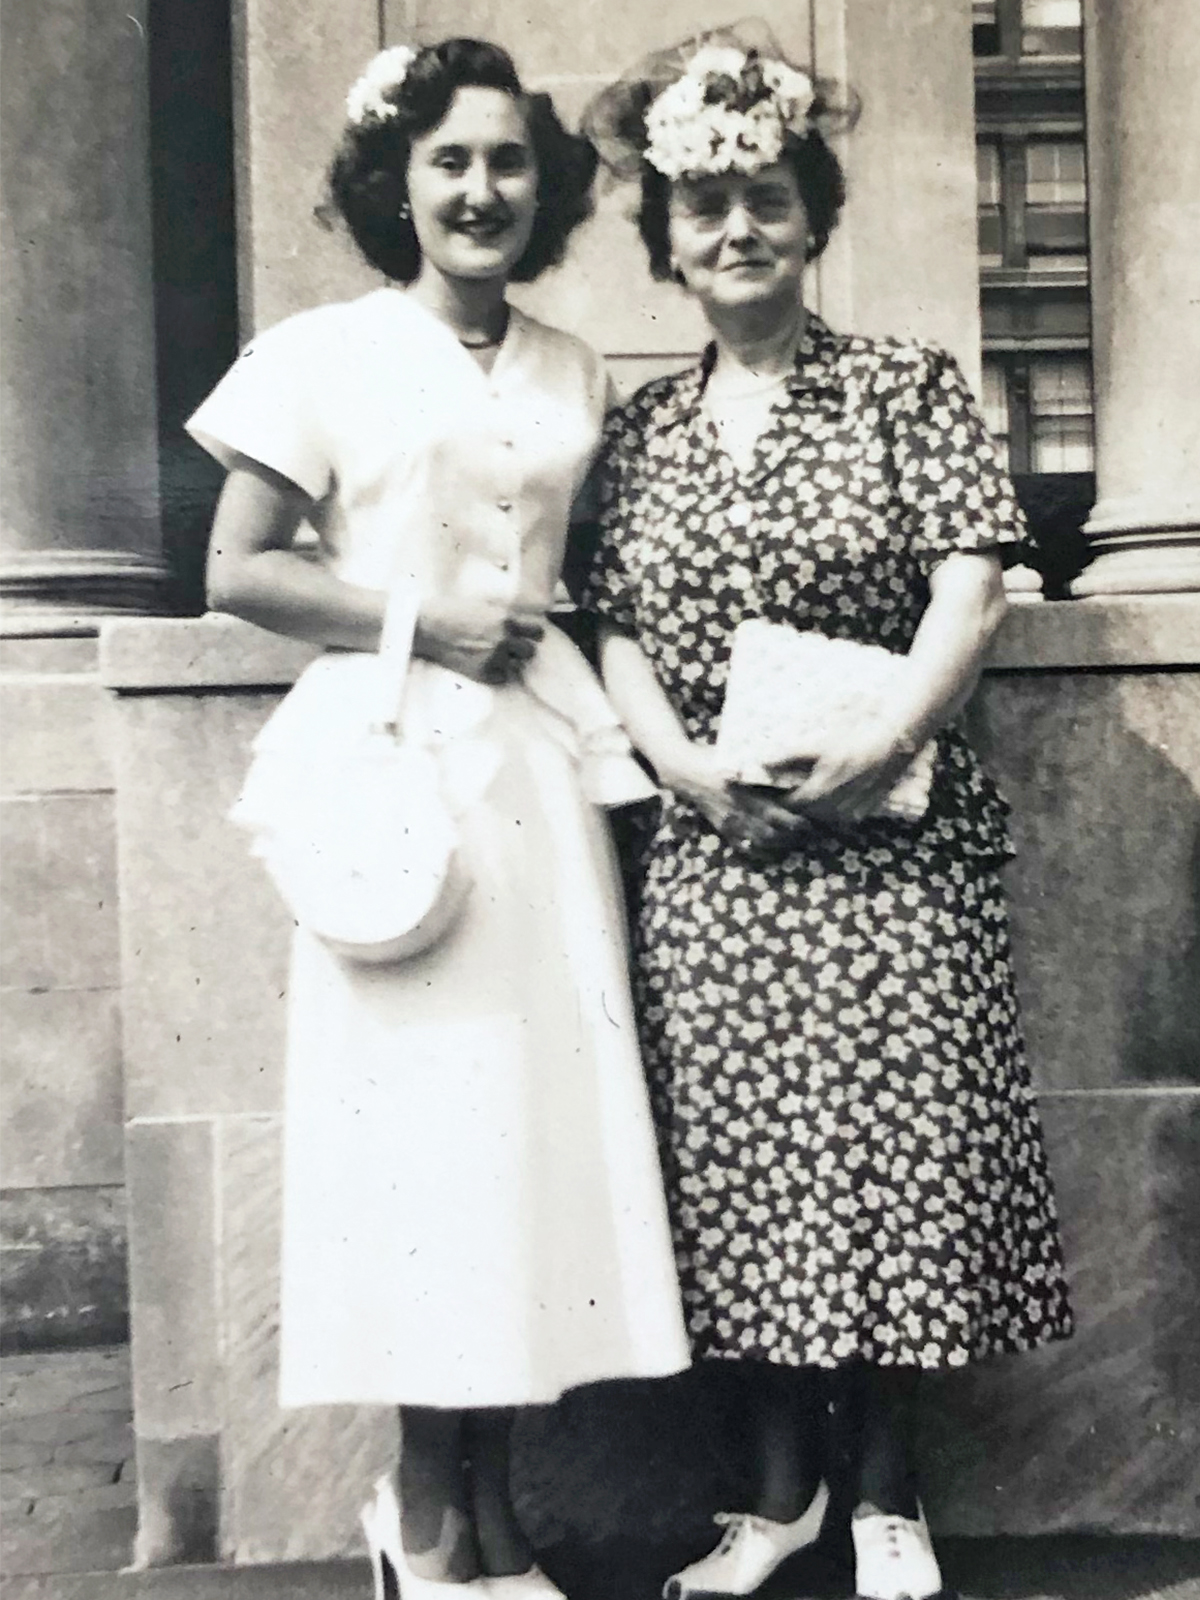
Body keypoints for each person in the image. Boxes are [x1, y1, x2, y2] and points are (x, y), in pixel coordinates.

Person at [188, 38, 689, 1600]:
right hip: (394, 781)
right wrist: (423, 623)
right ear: (394, 186)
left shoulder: (571, 366)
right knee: (417, 1147)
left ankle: (500, 1518)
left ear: (542, 186)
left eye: (508, 163)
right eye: (450, 163)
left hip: (535, 784)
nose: (482, 190)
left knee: (514, 1146)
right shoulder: (318, 353)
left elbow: (583, 584)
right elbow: (240, 569)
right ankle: (423, 1510)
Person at [578, 29, 1074, 1600]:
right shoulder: (641, 432)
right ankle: (777, 1495)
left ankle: (885, 1501)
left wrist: (888, 740)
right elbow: (611, 628)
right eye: (705, 206)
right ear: (663, 240)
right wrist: (681, 769)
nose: (738, 230)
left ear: (815, 217)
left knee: (900, 1162)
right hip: (720, 855)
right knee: (745, 1175)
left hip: (895, 844)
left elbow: (969, 583)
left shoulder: (902, 388)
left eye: (768, 199)